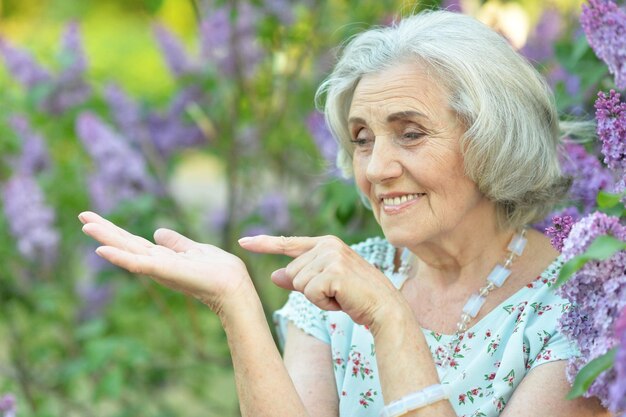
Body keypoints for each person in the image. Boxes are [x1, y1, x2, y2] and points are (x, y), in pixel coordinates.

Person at [79, 9, 610, 417]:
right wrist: (235, 301)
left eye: (411, 133)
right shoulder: (341, 288)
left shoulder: (582, 310)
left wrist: (392, 319)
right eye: (361, 139)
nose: (376, 167)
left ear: (496, 140)